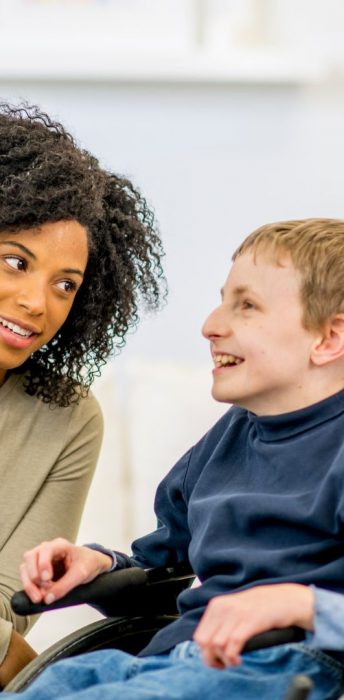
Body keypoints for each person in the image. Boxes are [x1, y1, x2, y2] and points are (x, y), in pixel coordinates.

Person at [13, 219, 344, 700]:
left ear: (329, 339)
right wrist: (98, 563)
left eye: (246, 306)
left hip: (291, 664)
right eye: (223, 300)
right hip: (177, 658)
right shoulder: (229, 437)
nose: (211, 326)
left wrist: (300, 605)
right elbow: (161, 568)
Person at [0, 102, 165, 687]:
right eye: (15, 262)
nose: (36, 303)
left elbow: (10, 608)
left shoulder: (68, 419)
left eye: (65, 285)